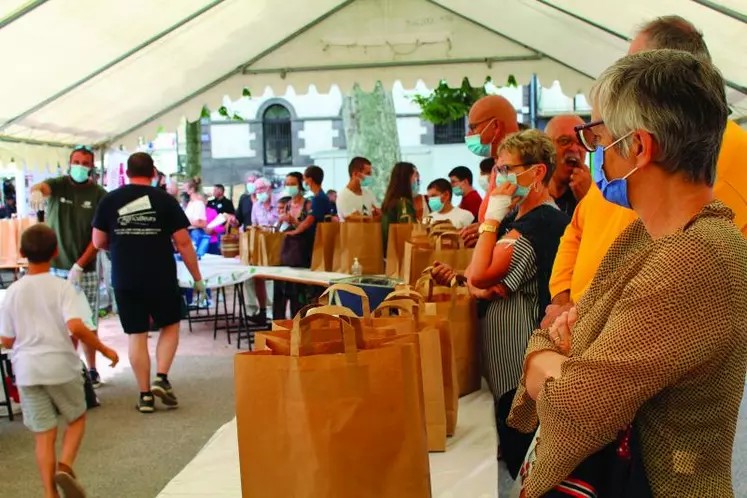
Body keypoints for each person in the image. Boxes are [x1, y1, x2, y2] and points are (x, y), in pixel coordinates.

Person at [509, 49, 747, 498]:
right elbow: (580, 347)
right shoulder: (650, 235)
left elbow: (578, 400)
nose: (592, 152)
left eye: (598, 136)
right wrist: (565, 354)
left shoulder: (695, 258)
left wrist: (540, 352)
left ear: (639, 147)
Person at [543, 15, 747, 328]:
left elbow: (680, 285)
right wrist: (563, 297)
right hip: (584, 323)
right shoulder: (622, 164)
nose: (622, 83)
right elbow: (577, 228)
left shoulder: (723, 156)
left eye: (633, 71)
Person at [433, 130, 570, 478]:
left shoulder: (537, 224)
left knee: (522, 457)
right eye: (496, 170)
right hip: (510, 363)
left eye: (507, 169)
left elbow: (479, 276)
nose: (499, 178)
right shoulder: (522, 221)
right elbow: (480, 280)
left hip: (519, 363)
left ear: (537, 173)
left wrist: (491, 218)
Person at [0, 224, 119, 498]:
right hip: (61, 366)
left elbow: (7, 340)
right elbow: (76, 327)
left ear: (21, 253)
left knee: (43, 435)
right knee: (76, 417)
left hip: (27, 370)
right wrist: (102, 349)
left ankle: (49, 494)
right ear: (55, 252)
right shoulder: (64, 288)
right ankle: (64, 465)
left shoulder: (13, 293)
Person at [92, 152, 204, 413]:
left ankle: (144, 395)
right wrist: (196, 277)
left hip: (125, 276)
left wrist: (119, 244)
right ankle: (161, 378)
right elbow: (184, 242)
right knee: (170, 325)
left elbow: (98, 242)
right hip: (160, 275)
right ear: (153, 172)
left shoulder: (110, 200)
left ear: (127, 173)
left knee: (136, 334)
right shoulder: (165, 200)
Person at [29, 146, 107, 388]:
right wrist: (36, 192)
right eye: (77, 162)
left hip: (86, 268)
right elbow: (42, 187)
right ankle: (67, 369)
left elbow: (99, 237)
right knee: (59, 323)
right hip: (54, 268)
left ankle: (92, 369)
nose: (80, 167)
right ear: (69, 163)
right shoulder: (59, 185)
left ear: (92, 166)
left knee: (87, 323)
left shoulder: (99, 195)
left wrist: (80, 265)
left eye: (85, 163)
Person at [460, 95, 521, 247]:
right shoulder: (497, 166)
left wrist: (487, 229)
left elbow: (522, 225)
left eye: (473, 128)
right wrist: (482, 227)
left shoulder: (521, 168)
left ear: (496, 127)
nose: (468, 135)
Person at [543, 115, 592, 216]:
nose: (574, 149)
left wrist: (589, 198)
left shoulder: (602, 196)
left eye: (581, 143)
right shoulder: (530, 195)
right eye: (564, 141)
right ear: (546, 148)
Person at [380, 162, 420, 250]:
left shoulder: (390, 202)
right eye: (415, 176)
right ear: (407, 178)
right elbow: (407, 231)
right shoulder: (403, 203)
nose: (417, 180)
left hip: (389, 253)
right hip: (400, 253)